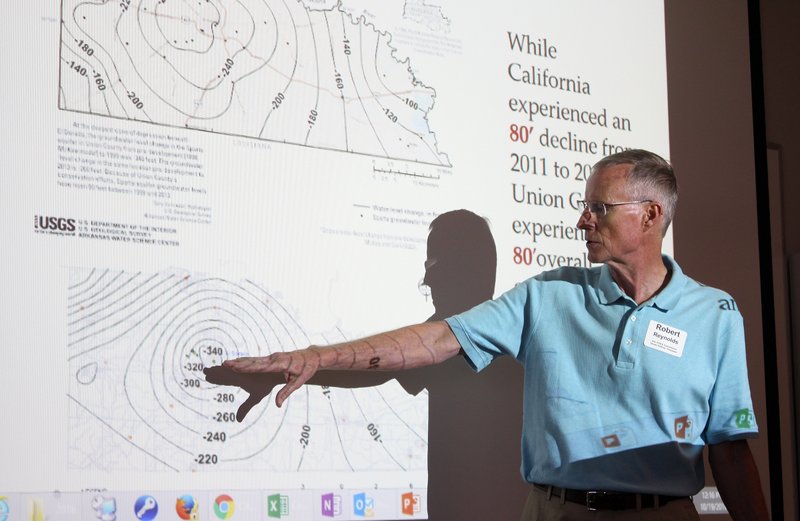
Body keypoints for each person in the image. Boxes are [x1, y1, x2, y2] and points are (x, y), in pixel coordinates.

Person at [218, 150, 769, 520]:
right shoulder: (547, 295)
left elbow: (729, 448)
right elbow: (434, 341)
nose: (582, 221)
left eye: (598, 208)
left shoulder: (715, 313)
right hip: (555, 512)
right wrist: (315, 357)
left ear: (651, 215)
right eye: (584, 206)